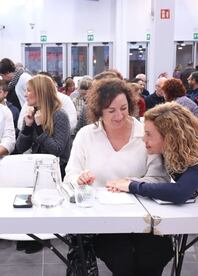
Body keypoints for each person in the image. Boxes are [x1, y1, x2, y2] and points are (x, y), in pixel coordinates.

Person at [108, 102, 198, 276]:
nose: (143, 140)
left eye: (148, 134)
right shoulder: (170, 152)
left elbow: (180, 192)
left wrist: (133, 185)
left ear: (170, 136)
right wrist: (133, 181)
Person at [64, 78, 171, 276]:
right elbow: (70, 175)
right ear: (98, 111)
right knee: (122, 260)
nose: (119, 116)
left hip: (144, 215)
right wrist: (80, 180)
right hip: (105, 218)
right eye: (111, 111)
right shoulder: (87, 135)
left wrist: (128, 185)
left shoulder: (144, 132)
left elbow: (159, 179)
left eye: (123, 108)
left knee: (154, 257)